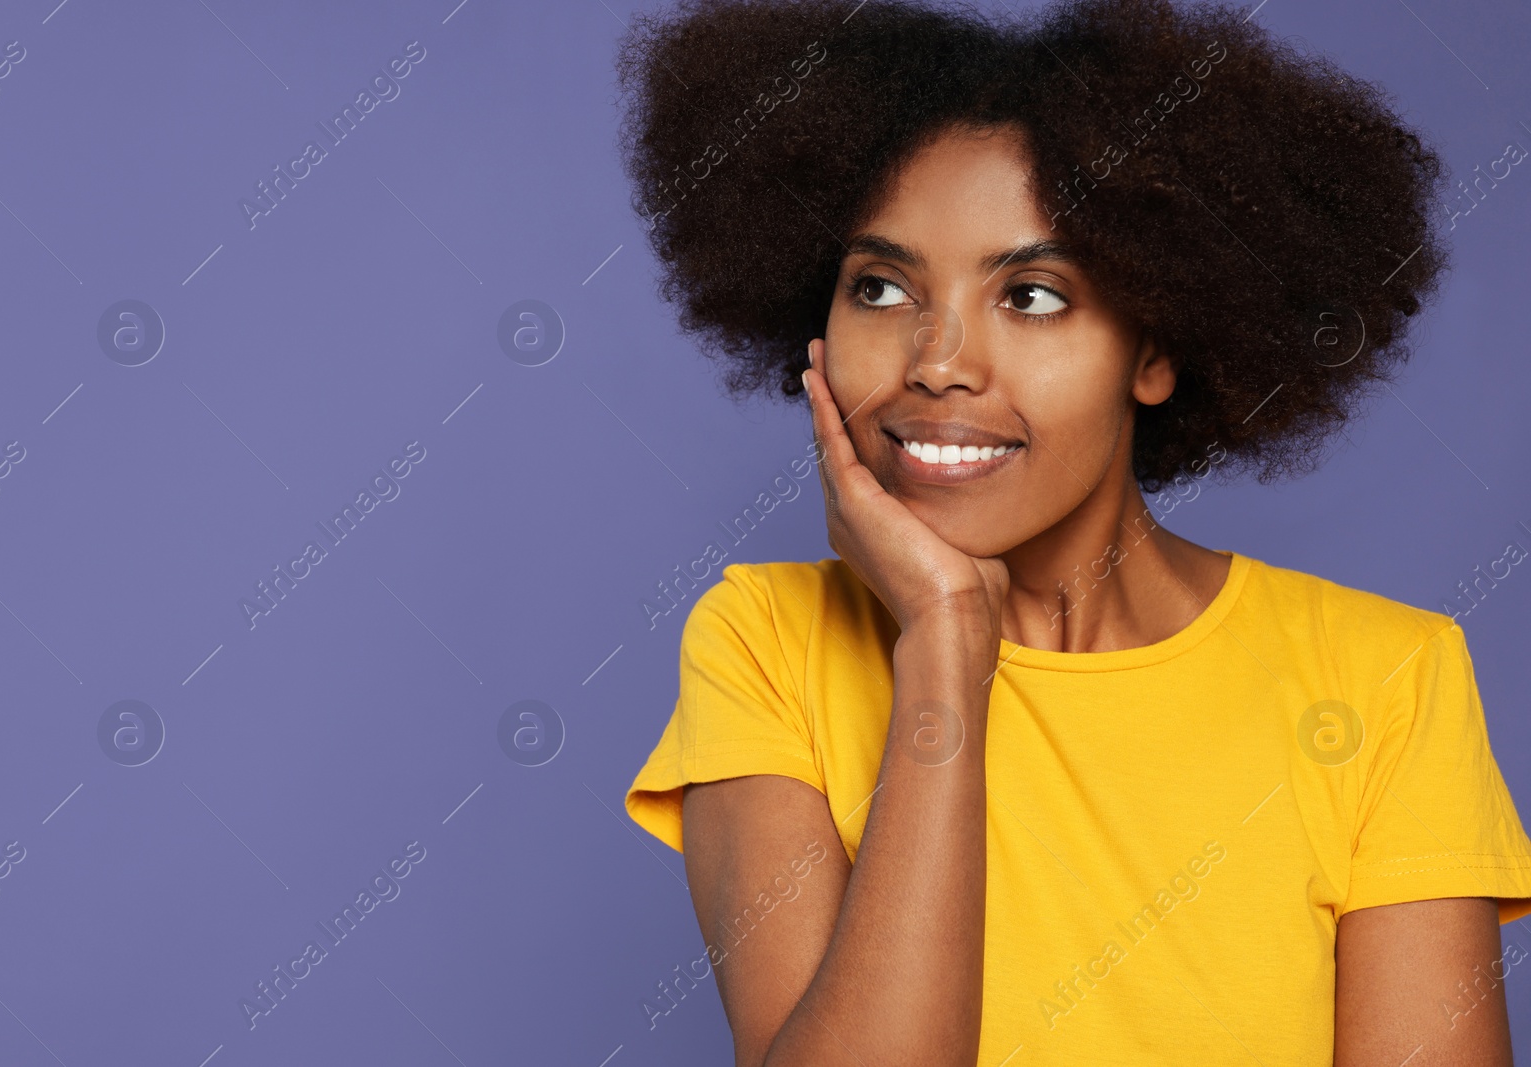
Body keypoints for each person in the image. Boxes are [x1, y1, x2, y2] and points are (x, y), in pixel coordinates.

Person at [617, 0, 1531, 1062]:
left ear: (1155, 350)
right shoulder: (766, 643)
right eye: (879, 286)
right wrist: (948, 641)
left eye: (1033, 296)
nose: (937, 359)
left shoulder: (1386, 680)